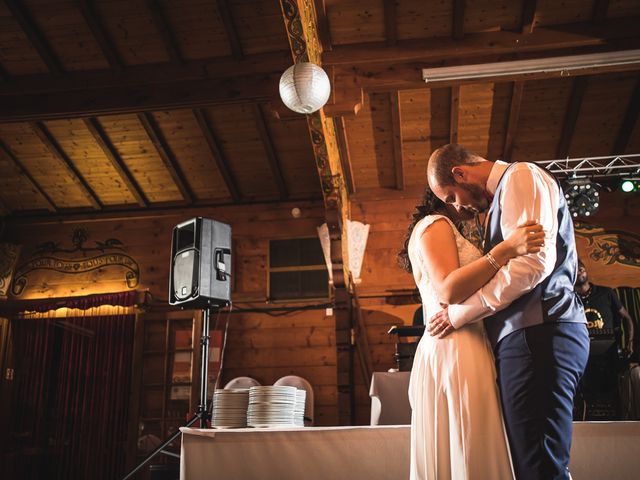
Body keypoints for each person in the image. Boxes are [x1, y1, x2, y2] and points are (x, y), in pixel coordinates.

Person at [425, 144, 589, 480]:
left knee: (541, 466)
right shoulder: (504, 194)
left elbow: (532, 264)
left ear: (460, 173)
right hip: (531, 336)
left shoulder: (521, 176)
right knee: (532, 463)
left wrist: (461, 313)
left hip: (541, 331)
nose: (459, 207)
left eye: (453, 197)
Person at [398, 188, 545, 479]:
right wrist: (504, 251)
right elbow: (449, 289)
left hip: (463, 341)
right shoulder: (435, 225)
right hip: (455, 344)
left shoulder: (450, 229)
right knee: (469, 443)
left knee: (468, 442)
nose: (474, 205)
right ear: (446, 193)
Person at [575, 259, 635, 357]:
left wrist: (630, 342)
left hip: (608, 348)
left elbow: (627, 317)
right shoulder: (569, 299)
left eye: (581, 269)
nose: (578, 272)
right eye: (575, 270)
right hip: (581, 348)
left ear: (586, 270)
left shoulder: (606, 292)